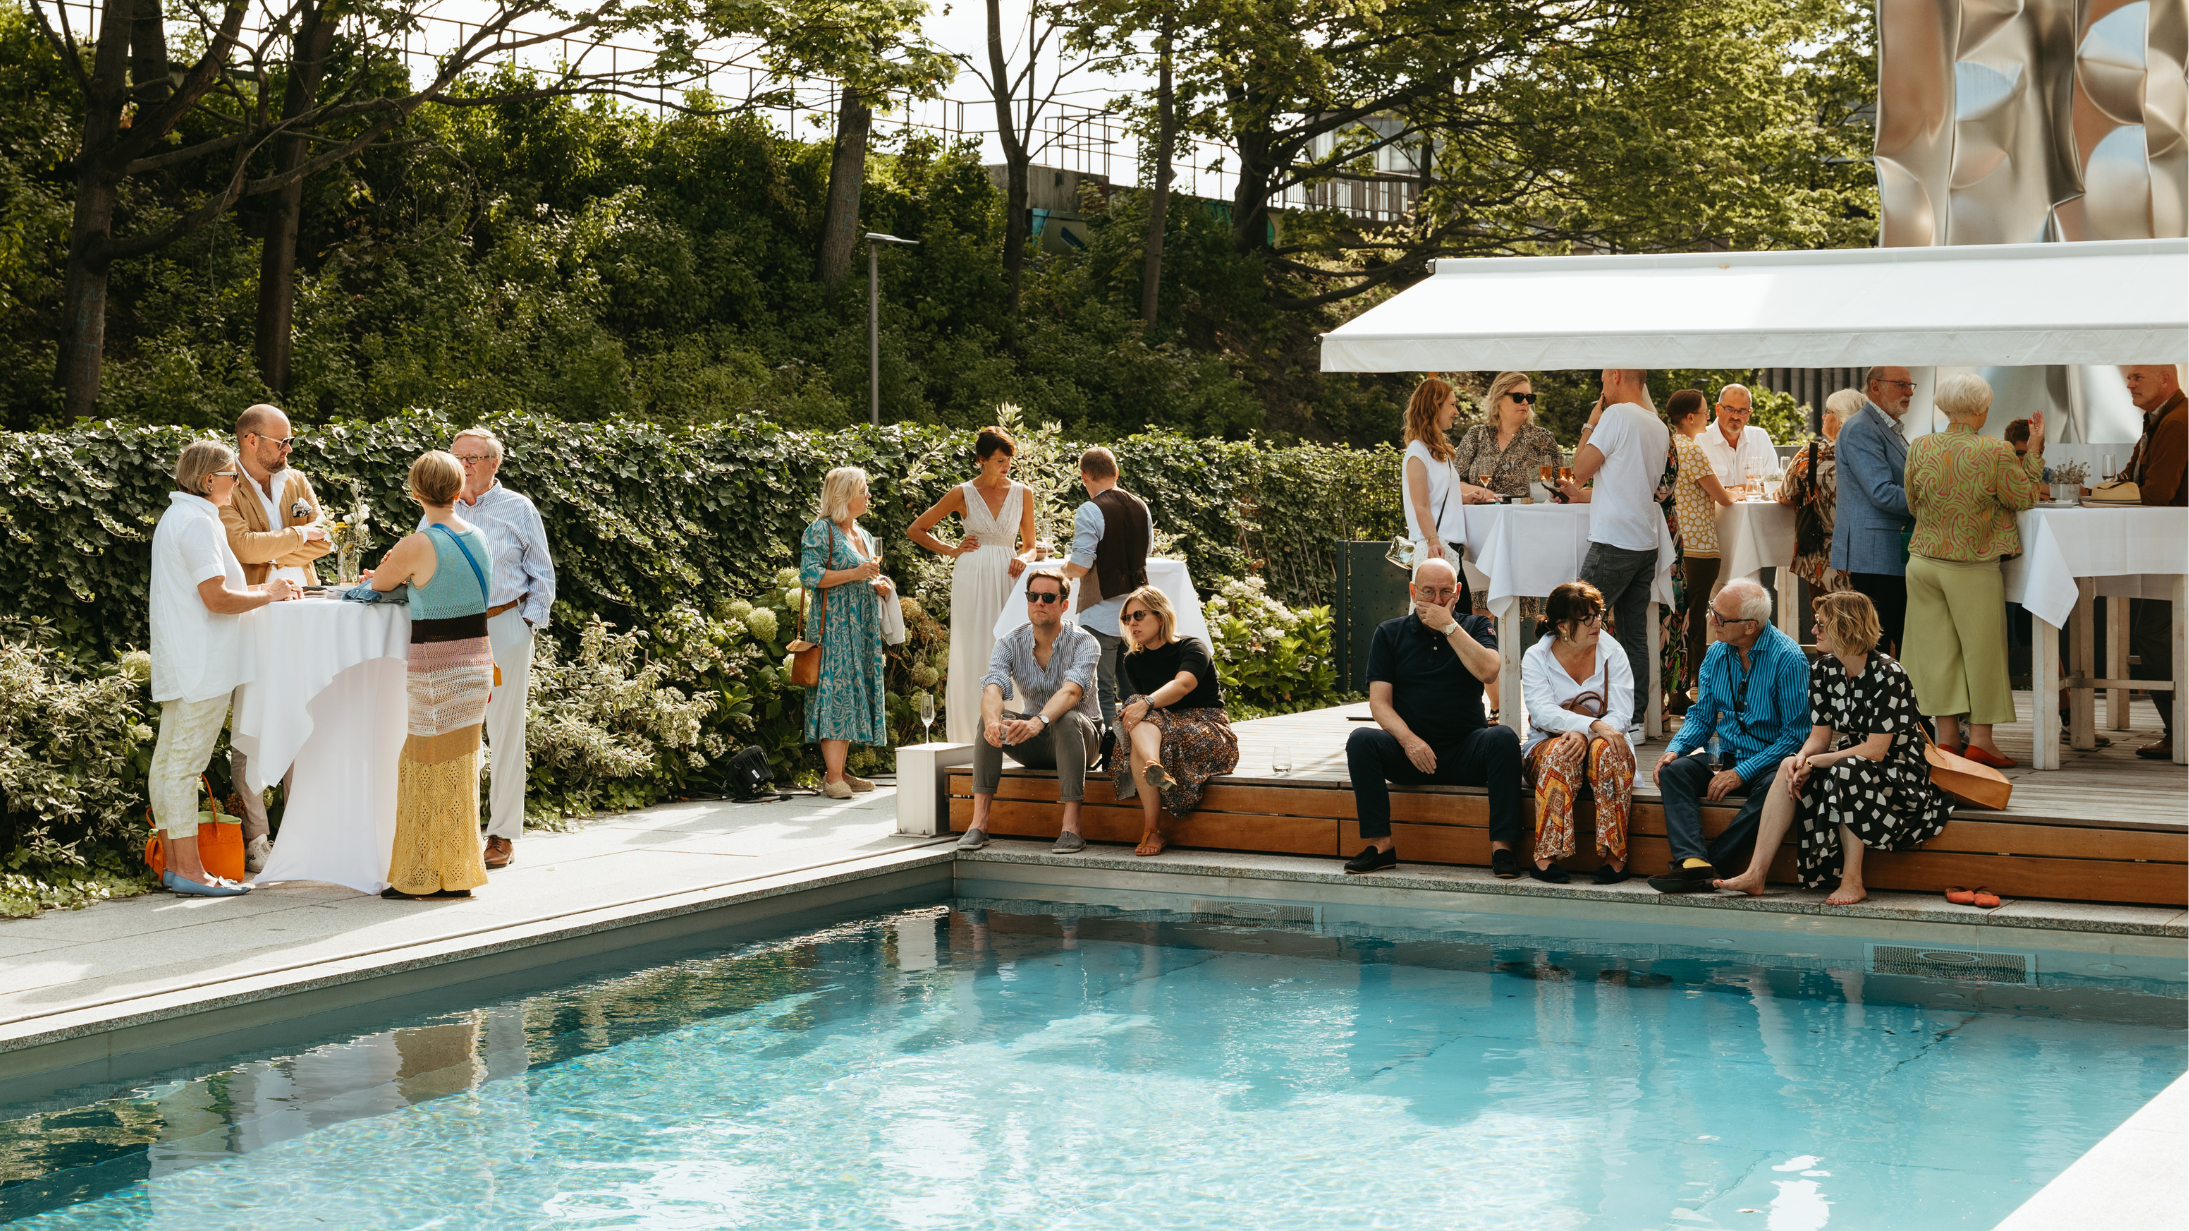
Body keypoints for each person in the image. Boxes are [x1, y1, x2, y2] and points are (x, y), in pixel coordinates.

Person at [1714, 591, 1950, 906]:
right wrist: (1802, 759)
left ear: (1845, 627)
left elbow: (1876, 751)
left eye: (1821, 625)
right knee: (1788, 765)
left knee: (1845, 769)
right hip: (1851, 761)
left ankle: (1853, 881)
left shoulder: (1890, 675)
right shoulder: (1824, 670)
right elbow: (1819, 736)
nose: (1814, 632)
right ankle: (1756, 873)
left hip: (1898, 773)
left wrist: (1819, 761)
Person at [149, 441, 298, 897]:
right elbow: (216, 598)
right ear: (208, 479)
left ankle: (177, 868)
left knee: (169, 765)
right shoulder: (196, 523)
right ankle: (191, 872)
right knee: (182, 768)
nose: (237, 482)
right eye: (232, 475)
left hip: (188, 659)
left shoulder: (184, 517)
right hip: (203, 664)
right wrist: (269, 594)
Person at [1342, 557, 1522, 876]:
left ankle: (1503, 849)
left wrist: (1448, 626)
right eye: (1428, 592)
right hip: (1411, 755)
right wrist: (1410, 742)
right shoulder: (1389, 633)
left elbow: (1490, 670)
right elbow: (1379, 704)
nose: (1437, 601)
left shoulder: (1475, 626)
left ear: (1458, 592)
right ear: (1413, 592)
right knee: (1361, 740)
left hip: (1465, 751)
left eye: (1445, 592)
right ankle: (1380, 847)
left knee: (1504, 738)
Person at [368, 452, 494, 900]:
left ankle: (417, 877)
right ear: (459, 491)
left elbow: (378, 585)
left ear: (415, 492)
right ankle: (458, 874)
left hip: (436, 669)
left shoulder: (416, 543)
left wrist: (393, 573)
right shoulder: (479, 536)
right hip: (476, 660)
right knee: (460, 767)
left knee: (421, 763)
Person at [1904, 374, 2044, 768]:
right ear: (1982, 410)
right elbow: (2024, 497)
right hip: (1971, 562)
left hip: (1924, 560)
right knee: (1983, 653)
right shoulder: (1995, 451)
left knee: (1936, 653)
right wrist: (2033, 453)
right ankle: (1981, 740)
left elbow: (1913, 503)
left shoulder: (1919, 446)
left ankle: (1946, 739)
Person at [222, 403, 332, 871]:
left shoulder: (296, 480)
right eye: (279, 441)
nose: (288, 449)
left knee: (303, 712)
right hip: (254, 614)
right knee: (253, 721)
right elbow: (240, 545)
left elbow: (325, 537)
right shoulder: (223, 480)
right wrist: (295, 536)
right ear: (251, 440)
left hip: (302, 611)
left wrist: (286, 537)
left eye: (290, 441)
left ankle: (302, 829)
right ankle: (256, 837)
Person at [1648, 579, 1811, 893]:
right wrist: (1676, 748)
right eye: (1713, 611)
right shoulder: (1716, 653)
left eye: (1720, 617)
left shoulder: (1789, 659)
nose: (1711, 621)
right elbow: (1702, 715)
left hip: (1769, 760)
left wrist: (1742, 773)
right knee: (1672, 772)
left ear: (1750, 626)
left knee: (1780, 790)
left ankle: (1711, 861)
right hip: (1723, 754)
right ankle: (1694, 862)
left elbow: (1795, 736)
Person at [442, 428, 554, 871]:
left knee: (505, 732)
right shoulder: (439, 506)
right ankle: (455, 826)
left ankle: (502, 833)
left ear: (495, 463)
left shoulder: (518, 508)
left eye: (474, 457)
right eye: (458, 456)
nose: (464, 465)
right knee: (452, 729)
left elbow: (542, 574)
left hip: (504, 625)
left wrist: (525, 625)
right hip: (451, 628)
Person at [956, 570, 1102, 855]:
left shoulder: (1085, 642)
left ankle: (1072, 827)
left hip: (1083, 741)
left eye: (1048, 597)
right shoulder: (1009, 642)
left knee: (1067, 718)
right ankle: (979, 824)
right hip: (1036, 740)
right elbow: (993, 688)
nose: (1039, 603)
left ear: (1064, 605)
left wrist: (1039, 720)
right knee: (991, 722)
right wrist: (991, 722)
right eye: (1033, 596)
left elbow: (1071, 692)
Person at [908, 426, 1039, 744]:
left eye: (1008, 460)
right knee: (971, 649)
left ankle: (1015, 734)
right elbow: (917, 529)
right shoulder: (961, 493)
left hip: (1009, 576)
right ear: (981, 459)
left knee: (1012, 648)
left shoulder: (1023, 493)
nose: (1005, 466)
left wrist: (1025, 557)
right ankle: (970, 738)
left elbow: (1031, 545)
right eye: (998, 460)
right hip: (972, 574)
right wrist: (952, 550)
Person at [1558, 369, 1671, 700]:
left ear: (1617, 375)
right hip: (1644, 540)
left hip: (1614, 540)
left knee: (1574, 618)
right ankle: (1634, 716)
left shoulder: (1616, 415)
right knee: (1634, 633)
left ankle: (1571, 704)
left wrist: (1591, 422)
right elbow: (1631, 485)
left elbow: (1578, 470)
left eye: (1604, 378)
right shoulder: (1657, 425)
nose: (1602, 386)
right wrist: (1582, 494)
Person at [1520, 581, 1634, 885]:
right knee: (1561, 751)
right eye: (1587, 618)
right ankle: (1545, 857)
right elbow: (1542, 712)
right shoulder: (1536, 657)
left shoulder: (1613, 652)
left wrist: (1588, 734)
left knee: (1609, 751)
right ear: (1563, 625)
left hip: (1602, 745)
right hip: (1548, 745)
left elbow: (1622, 713)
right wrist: (1588, 725)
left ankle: (1615, 856)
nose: (1598, 623)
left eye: (1599, 614)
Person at [1114, 585, 1238, 857]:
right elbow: (1144, 712)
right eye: (1126, 618)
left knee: (1140, 708)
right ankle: (1154, 765)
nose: (1131, 623)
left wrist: (1145, 703)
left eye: (1138, 615)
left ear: (1160, 616)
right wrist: (1141, 706)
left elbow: (1183, 685)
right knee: (1136, 711)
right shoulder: (1133, 661)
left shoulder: (1192, 646)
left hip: (1208, 726)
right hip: (1161, 728)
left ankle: (1152, 830)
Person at [801, 467, 893, 799]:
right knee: (835, 691)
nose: (868, 496)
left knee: (854, 690)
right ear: (845, 495)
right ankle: (832, 776)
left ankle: (840, 771)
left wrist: (880, 586)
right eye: (863, 490)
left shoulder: (865, 535)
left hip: (862, 624)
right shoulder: (820, 531)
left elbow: (866, 575)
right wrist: (855, 573)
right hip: (834, 624)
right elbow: (810, 576)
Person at [1060, 447, 1154, 757]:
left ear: (1084, 475)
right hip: (1135, 613)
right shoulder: (1140, 505)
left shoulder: (1090, 510)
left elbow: (1082, 563)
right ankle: (1136, 749)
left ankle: (1108, 750)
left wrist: (1063, 569)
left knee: (1098, 687)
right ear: (1116, 474)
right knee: (1130, 685)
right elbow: (1146, 550)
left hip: (1100, 612)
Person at [2121, 364, 2185, 759]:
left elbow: (2156, 493)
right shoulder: (2160, 419)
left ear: (2166, 378)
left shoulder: (2177, 423)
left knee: (2153, 634)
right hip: (2166, 548)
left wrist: (2106, 492)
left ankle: (2181, 729)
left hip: (2175, 549)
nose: (2128, 383)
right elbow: (2131, 477)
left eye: (2137, 376)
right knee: (2153, 633)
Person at [1833, 367, 1918, 656]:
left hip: (1885, 550)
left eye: (1910, 385)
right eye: (1901, 385)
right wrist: (1935, 503)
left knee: (1888, 640)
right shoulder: (1861, 428)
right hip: (1875, 554)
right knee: (1875, 646)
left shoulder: (1884, 426)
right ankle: (1874, 701)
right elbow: (1881, 492)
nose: (1909, 392)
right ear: (1875, 387)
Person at [1668, 388, 1734, 707]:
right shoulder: (1692, 450)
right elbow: (1722, 496)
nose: (1709, 416)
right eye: (1707, 412)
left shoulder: (1667, 447)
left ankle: (1679, 688)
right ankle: (1692, 687)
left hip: (1678, 543)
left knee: (1680, 618)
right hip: (1700, 546)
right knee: (1693, 623)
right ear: (1690, 417)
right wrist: (1738, 493)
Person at [1779, 389, 1859, 599]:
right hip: (1862, 557)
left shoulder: (1812, 453)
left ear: (1841, 418)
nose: (1823, 416)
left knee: (1823, 623)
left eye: (1828, 411)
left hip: (1821, 562)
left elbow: (1785, 496)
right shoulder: (1869, 452)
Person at [1451, 371, 1562, 502]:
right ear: (1498, 398)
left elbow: (1562, 486)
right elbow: (1453, 481)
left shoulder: (1543, 439)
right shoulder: (1476, 435)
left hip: (1527, 518)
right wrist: (1483, 492)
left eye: (1530, 397)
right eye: (1518, 397)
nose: (1525, 402)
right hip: (1481, 518)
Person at [1696, 383, 1779, 490]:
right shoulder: (1700, 439)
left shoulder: (1760, 438)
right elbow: (1696, 491)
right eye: (1729, 409)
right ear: (1718, 409)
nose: (1735, 416)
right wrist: (1736, 491)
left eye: (1742, 411)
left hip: (1755, 507)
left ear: (1749, 413)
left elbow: (1774, 485)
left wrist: (1738, 489)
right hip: (1716, 507)